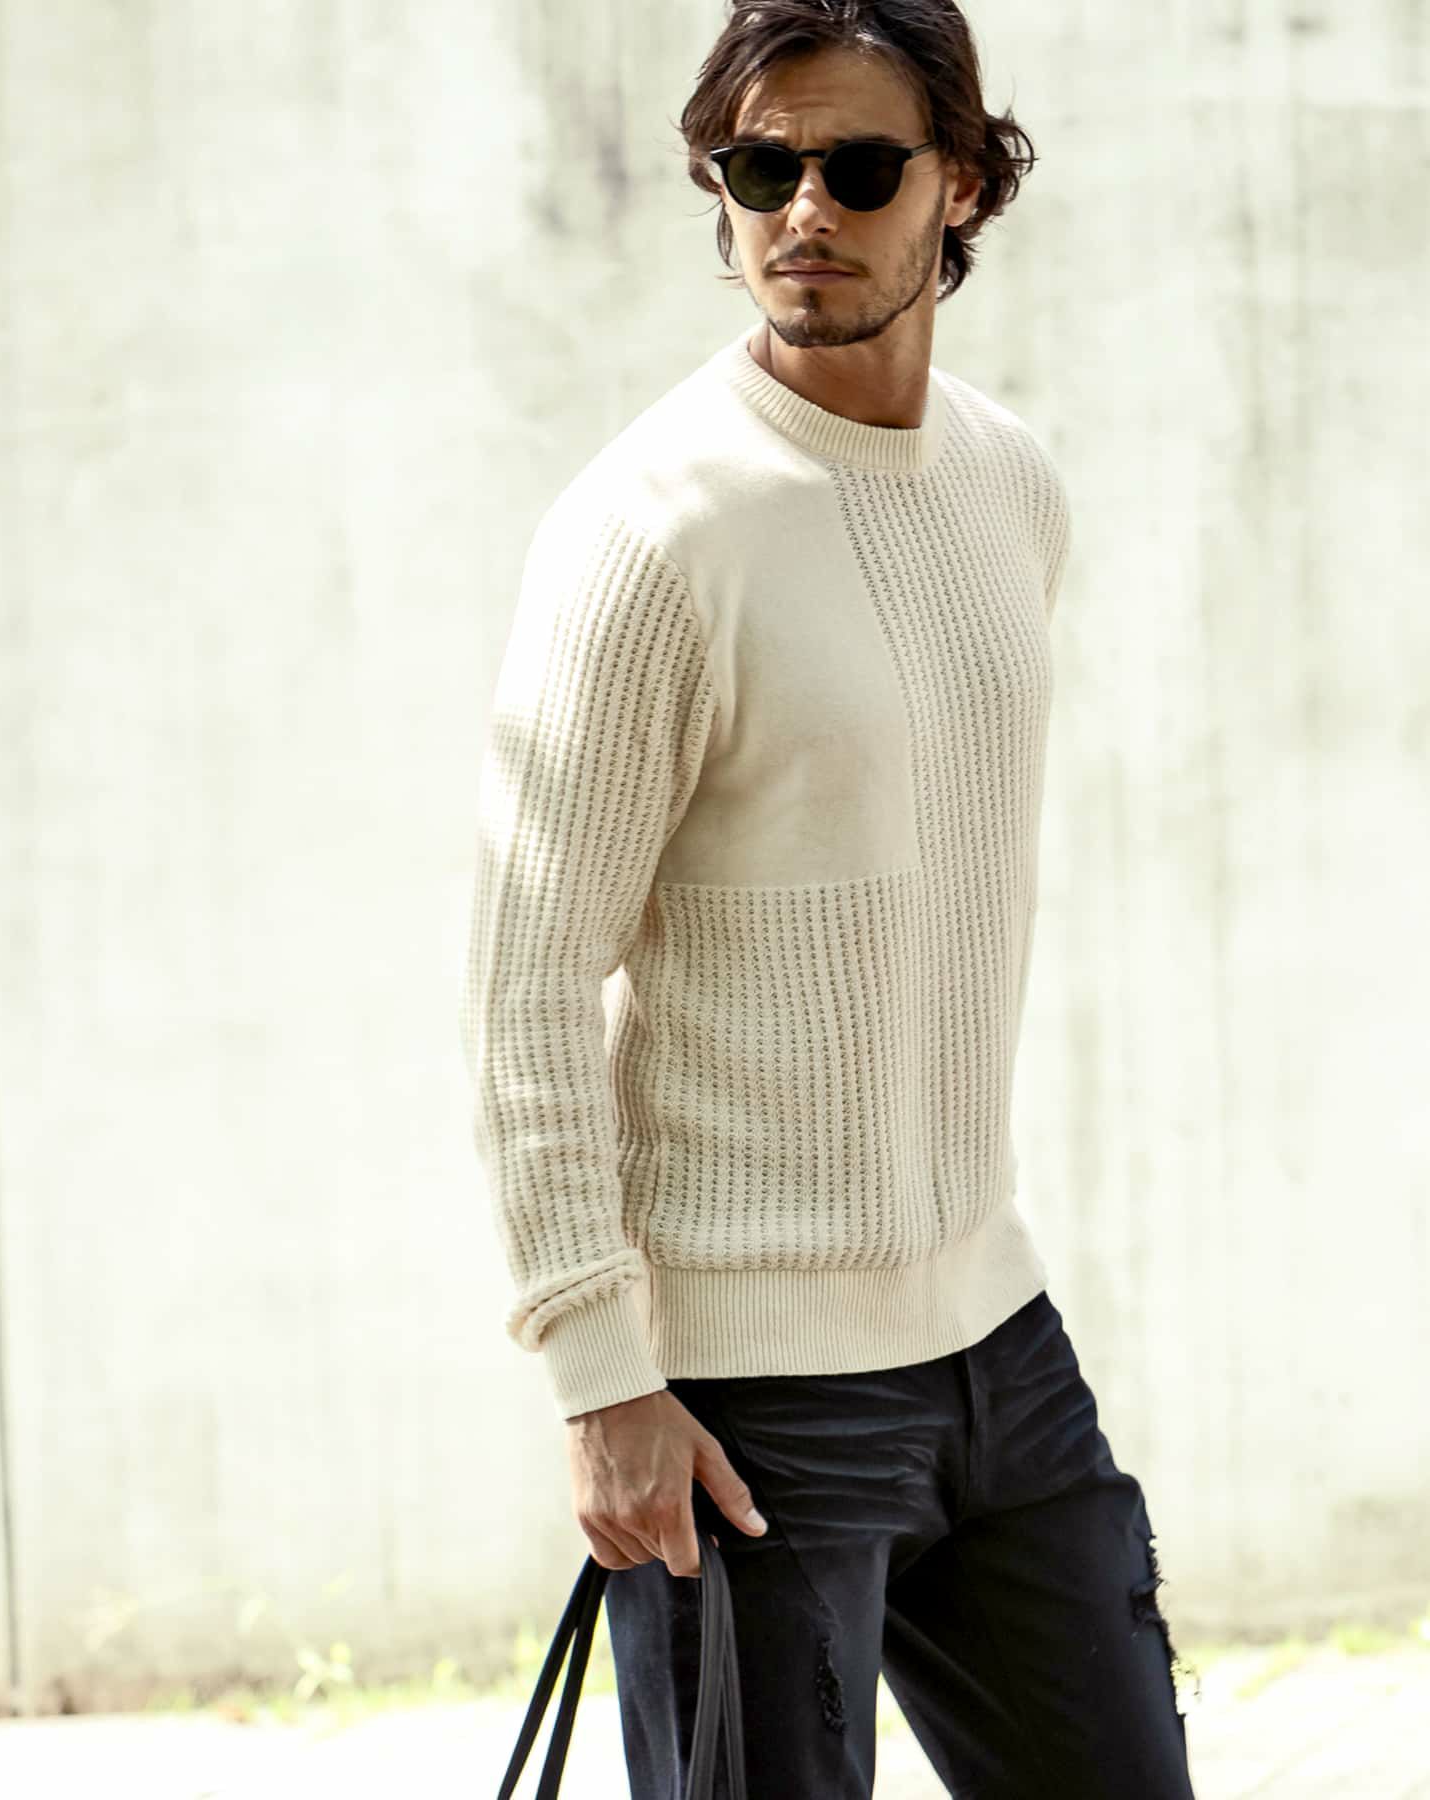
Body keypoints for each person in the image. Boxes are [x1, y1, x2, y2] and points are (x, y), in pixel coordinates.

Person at [460, 2, 1196, 1793]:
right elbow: (528, 978)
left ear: (963, 186)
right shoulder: (651, 534)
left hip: (994, 1339)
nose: (803, 210)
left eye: (860, 167)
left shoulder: (1007, 485)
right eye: (758, 166)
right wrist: (600, 1373)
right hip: (747, 1400)